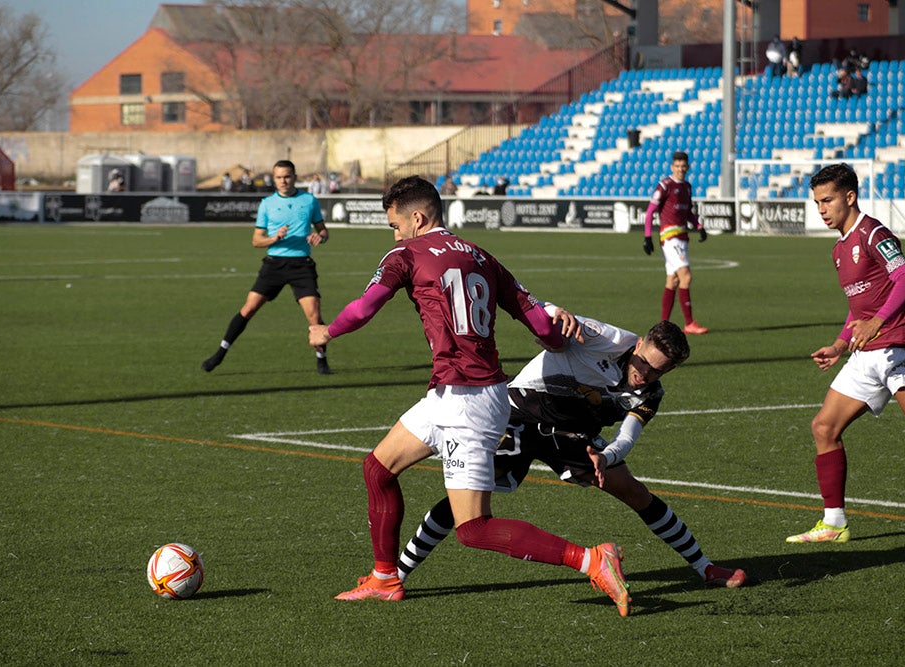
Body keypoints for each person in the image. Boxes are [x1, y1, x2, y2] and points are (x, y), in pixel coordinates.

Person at [307, 176, 632, 616]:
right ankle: (385, 578)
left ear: (417, 217)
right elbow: (539, 323)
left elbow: (365, 307)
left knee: (473, 528)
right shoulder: (482, 255)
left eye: (395, 224)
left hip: (468, 401)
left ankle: (591, 558)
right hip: (456, 394)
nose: (395, 232)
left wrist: (327, 330)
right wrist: (560, 337)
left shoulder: (406, 254)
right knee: (377, 469)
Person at [395, 318, 747, 589]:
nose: (645, 374)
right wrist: (549, 320)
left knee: (634, 492)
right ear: (638, 343)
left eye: (659, 371)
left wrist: (605, 458)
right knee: (468, 499)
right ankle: (397, 575)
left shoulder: (650, 394)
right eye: (644, 363)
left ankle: (705, 568)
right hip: (520, 414)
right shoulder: (606, 339)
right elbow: (552, 317)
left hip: (572, 435)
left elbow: (626, 436)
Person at [786, 163, 905, 547]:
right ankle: (834, 522)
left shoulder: (874, 232)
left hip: (899, 348)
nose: (821, 209)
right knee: (824, 428)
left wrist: (878, 322)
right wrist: (841, 344)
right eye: (817, 202)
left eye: (828, 200)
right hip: (865, 354)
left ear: (850, 196)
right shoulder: (839, 249)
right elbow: (859, 309)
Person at [201, 159, 332, 374]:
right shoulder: (267, 203)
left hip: (301, 265)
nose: (283, 181)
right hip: (274, 264)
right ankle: (220, 353)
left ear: (295, 177)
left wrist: (321, 237)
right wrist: (274, 238)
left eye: (287, 176)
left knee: (314, 317)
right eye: (279, 177)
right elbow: (256, 240)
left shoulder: (309, 200)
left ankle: (322, 359)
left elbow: (323, 230)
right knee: (249, 308)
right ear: (274, 178)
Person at [642, 151, 709, 335]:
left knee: (673, 280)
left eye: (683, 166)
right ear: (672, 167)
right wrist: (647, 237)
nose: (680, 169)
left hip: (682, 236)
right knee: (686, 276)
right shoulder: (665, 185)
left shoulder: (687, 187)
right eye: (677, 166)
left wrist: (698, 226)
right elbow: (650, 212)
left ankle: (663, 325)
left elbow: (687, 212)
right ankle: (689, 323)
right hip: (670, 237)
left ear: (687, 167)